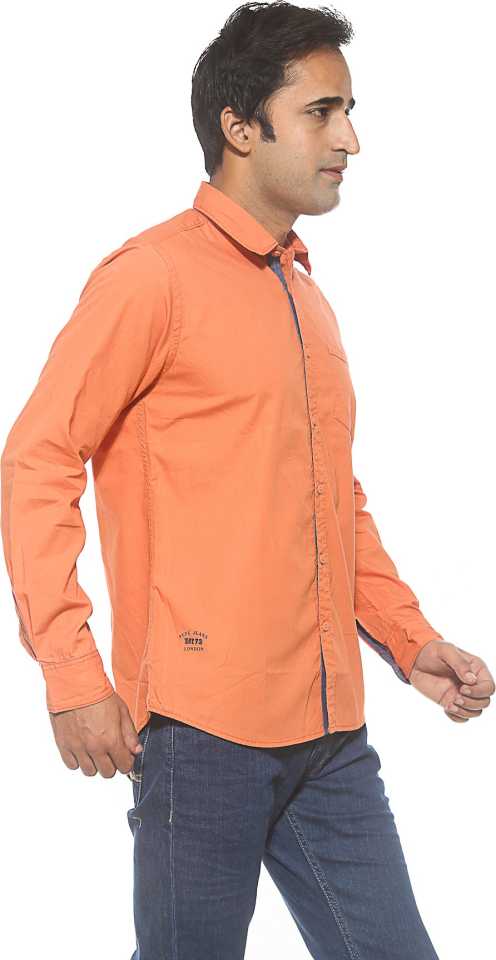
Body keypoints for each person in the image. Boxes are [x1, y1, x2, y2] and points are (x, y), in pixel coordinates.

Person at [1, 2, 493, 958]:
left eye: (349, 112)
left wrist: (411, 641)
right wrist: (72, 673)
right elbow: (39, 458)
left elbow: (333, 503)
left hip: (331, 735)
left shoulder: (307, 298)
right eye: (321, 112)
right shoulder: (150, 277)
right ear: (239, 127)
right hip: (202, 735)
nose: (350, 139)